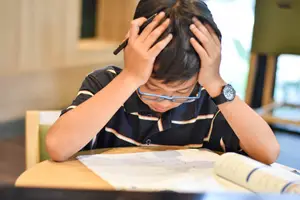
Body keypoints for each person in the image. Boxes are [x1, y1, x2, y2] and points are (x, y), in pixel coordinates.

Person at [46, 0, 280, 164]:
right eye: (152, 89)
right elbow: (57, 147)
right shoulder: (106, 85)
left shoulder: (209, 98)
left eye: (180, 92)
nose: (164, 103)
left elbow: (268, 153)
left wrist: (216, 82)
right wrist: (130, 77)